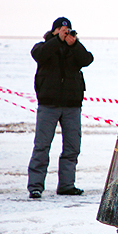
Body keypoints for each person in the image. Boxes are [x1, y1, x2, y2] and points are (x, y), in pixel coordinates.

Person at [26, 17, 94, 198]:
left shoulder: (74, 49)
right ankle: (35, 186)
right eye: (61, 30)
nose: (65, 33)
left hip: (72, 105)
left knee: (72, 147)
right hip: (48, 104)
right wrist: (57, 40)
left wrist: (75, 44)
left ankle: (67, 185)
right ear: (54, 31)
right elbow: (39, 55)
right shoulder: (44, 47)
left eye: (67, 30)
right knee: (42, 146)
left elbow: (87, 59)